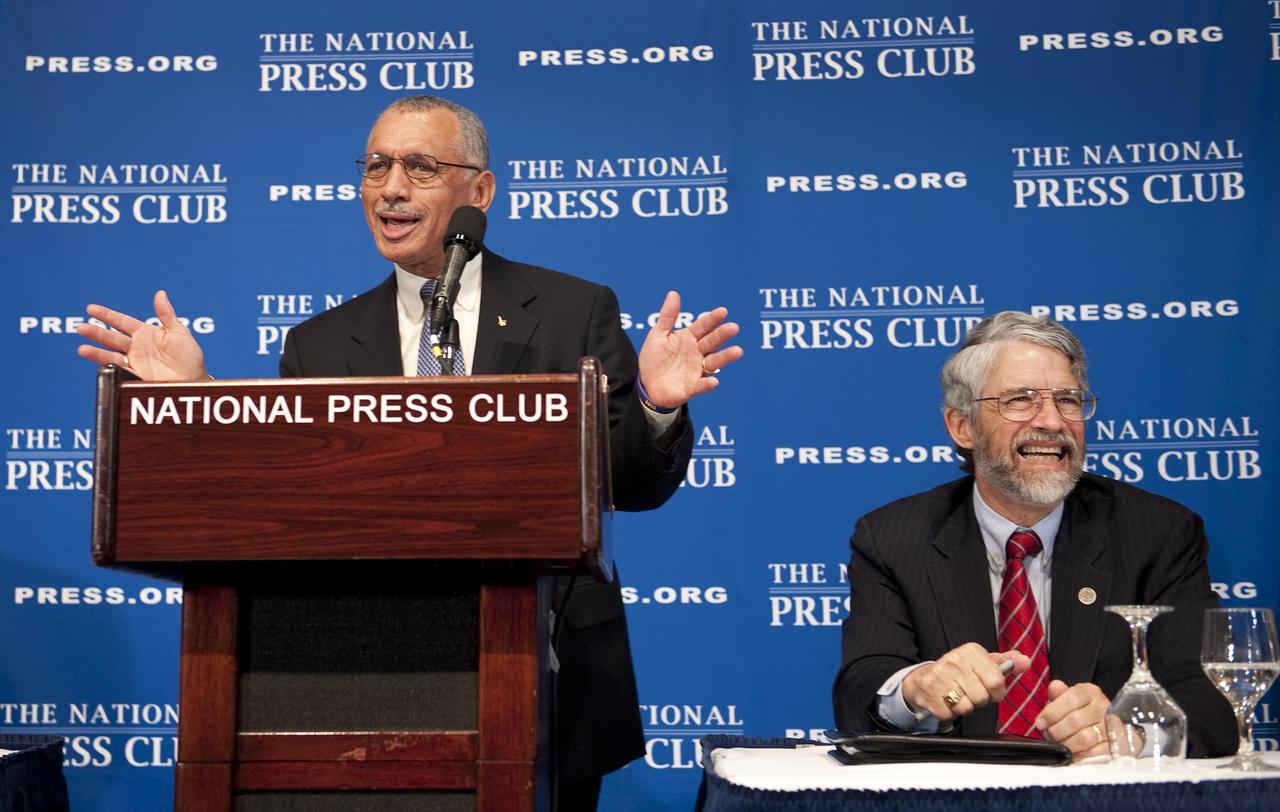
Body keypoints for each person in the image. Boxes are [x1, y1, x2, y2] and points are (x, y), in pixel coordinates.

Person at [76, 95, 743, 809]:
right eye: (376, 166)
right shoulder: (320, 343)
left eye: (420, 167)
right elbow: (290, 502)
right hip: (365, 678)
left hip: (548, 673)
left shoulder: (574, 309)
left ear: (478, 191)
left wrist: (657, 404)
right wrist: (196, 399)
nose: (390, 187)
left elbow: (630, 486)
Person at [832, 311, 1235, 760]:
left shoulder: (1158, 533)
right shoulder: (892, 538)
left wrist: (1130, 738)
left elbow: (1212, 704)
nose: (1053, 421)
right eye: (1020, 400)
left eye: (1068, 399)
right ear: (961, 426)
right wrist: (915, 690)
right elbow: (860, 690)